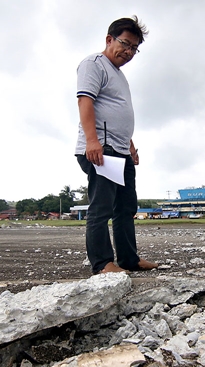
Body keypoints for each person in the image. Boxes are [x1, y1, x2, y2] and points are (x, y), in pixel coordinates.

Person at [75, 16, 158, 275]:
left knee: (125, 208)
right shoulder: (94, 65)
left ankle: (129, 259)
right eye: (125, 43)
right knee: (101, 208)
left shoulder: (119, 75)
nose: (129, 51)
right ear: (109, 39)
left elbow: (117, 111)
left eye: (134, 48)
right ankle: (102, 264)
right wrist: (92, 141)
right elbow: (85, 102)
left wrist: (130, 145)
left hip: (120, 151)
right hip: (103, 149)